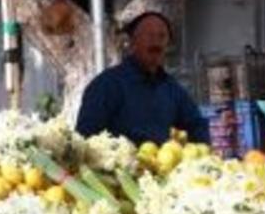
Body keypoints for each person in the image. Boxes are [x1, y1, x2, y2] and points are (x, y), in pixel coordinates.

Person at [76, 11, 208, 145]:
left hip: (162, 163)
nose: (156, 43)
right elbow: (85, 138)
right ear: (132, 42)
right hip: (119, 164)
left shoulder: (172, 89)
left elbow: (197, 126)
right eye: (149, 36)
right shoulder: (106, 86)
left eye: (162, 36)